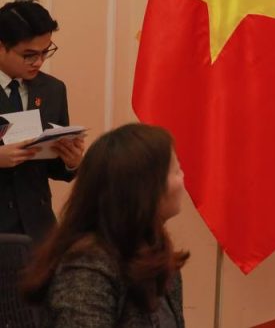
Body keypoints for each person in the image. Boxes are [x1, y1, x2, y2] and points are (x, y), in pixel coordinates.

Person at [21, 123, 188, 327]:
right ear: (144, 188)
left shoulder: (157, 252)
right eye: (176, 171)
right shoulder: (87, 267)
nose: (183, 178)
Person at [0, 0, 84, 242]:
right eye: (29, 55)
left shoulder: (53, 90)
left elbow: (55, 169)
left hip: (39, 230)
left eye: (45, 52)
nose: (38, 62)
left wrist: (71, 162)